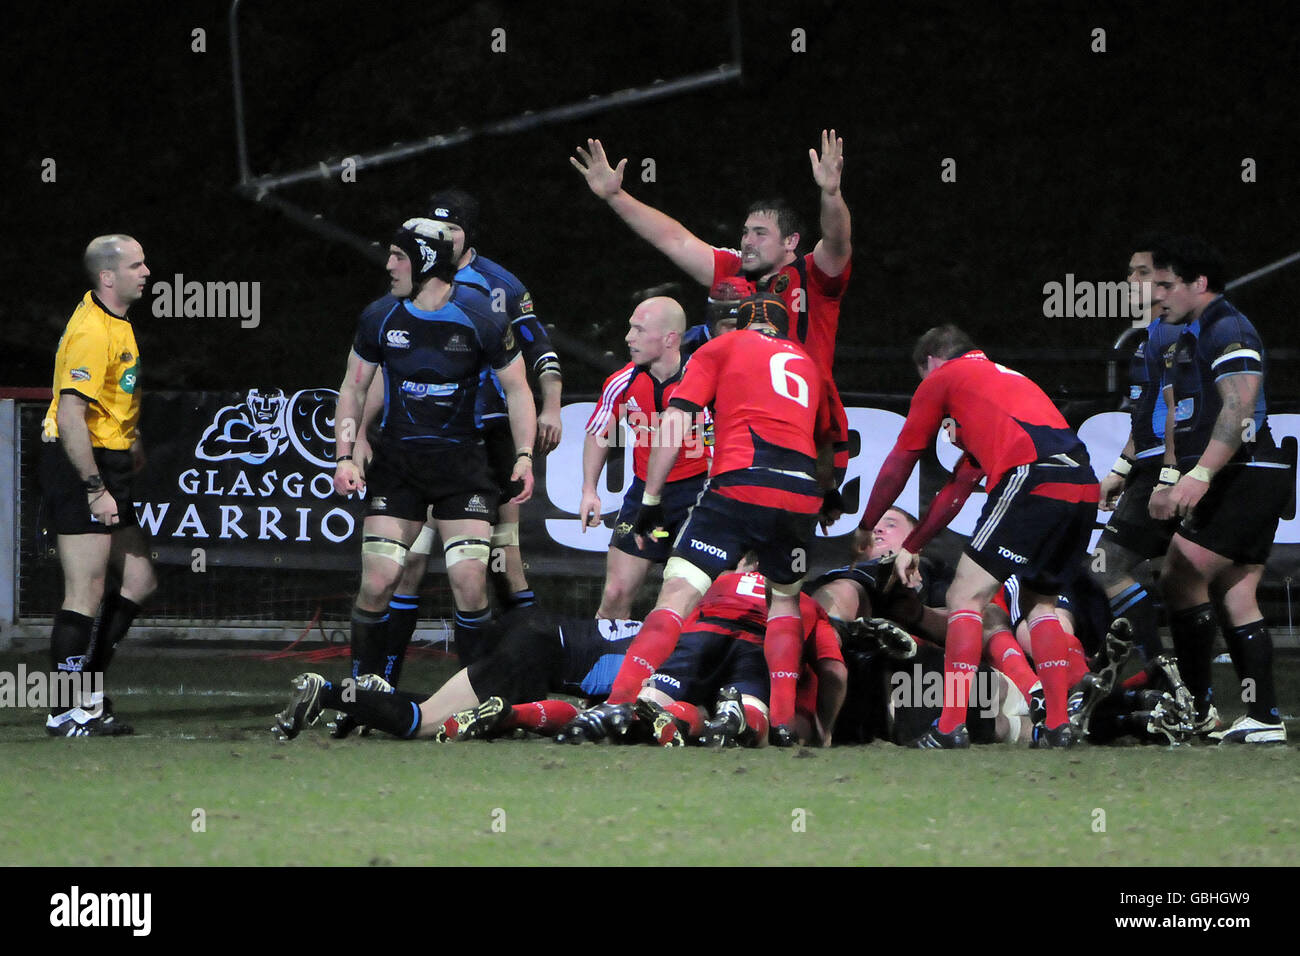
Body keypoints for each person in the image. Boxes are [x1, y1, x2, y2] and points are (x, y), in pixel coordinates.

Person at [558, 294, 837, 745]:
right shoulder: (809, 362)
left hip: (729, 485)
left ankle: (622, 700)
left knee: (681, 592)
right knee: (783, 600)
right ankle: (781, 721)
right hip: (798, 492)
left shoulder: (718, 352)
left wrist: (651, 496)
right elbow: (831, 444)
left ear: (739, 327)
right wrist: (826, 493)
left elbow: (675, 421)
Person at [349, 191, 563, 698]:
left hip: (479, 442)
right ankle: (377, 688)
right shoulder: (392, 306)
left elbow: (536, 351)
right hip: (409, 450)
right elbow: (376, 376)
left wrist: (548, 407)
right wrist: (357, 433)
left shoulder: (497, 289)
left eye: (454, 226)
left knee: (495, 567)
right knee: (403, 569)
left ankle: (503, 687)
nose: (446, 233)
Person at [853, 325, 1100, 748]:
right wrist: (912, 546)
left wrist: (866, 521)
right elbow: (958, 487)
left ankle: (949, 727)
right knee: (1041, 602)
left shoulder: (943, 378)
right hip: (1083, 483)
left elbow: (902, 457)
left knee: (964, 597)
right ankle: (1058, 726)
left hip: (1031, 476)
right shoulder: (1006, 381)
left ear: (931, 362)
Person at [571, 131, 853, 477]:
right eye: (745, 232)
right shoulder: (733, 270)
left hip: (809, 427)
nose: (747, 241)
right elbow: (674, 239)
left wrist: (831, 193)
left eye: (760, 233)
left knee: (789, 521)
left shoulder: (813, 275)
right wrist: (616, 196)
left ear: (791, 241)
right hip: (742, 427)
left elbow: (838, 241)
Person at [1146, 236, 1292, 743]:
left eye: (1167, 284)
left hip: (1248, 472)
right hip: (1244, 475)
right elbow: (1183, 417)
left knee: (1179, 574)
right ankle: (1263, 717)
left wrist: (1201, 474)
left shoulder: (1229, 326)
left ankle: (1196, 706)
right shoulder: (1187, 336)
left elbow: (1239, 408)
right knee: (1236, 592)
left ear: (1198, 284)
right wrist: (1171, 474)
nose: (1157, 293)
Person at [38, 235, 156, 736]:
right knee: (84, 590)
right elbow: (69, 415)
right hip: (78, 465)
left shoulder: (117, 322)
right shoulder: (91, 330)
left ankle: (86, 693)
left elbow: (112, 400)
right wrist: (94, 487)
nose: (147, 271)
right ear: (108, 277)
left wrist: (130, 444)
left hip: (106, 461)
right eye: (136, 265)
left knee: (138, 581)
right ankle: (65, 709)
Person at [580, 296, 710, 619]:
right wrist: (588, 490)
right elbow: (599, 432)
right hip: (645, 495)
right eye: (629, 329)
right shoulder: (622, 381)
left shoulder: (706, 379)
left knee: (687, 601)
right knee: (614, 594)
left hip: (700, 495)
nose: (628, 337)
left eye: (639, 330)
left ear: (670, 339)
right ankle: (607, 668)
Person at [1090, 235, 1181, 672]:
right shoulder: (1147, 340)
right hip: (1151, 470)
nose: (1131, 280)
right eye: (1130, 271)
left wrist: (1167, 475)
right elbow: (1144, 416)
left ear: (1167, 279)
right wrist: (1121, 468)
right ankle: (1171, 679)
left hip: (1173, 471)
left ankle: (1160, 671)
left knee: (1110, 565)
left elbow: (1180, 412)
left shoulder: (1175, 335)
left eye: (1142, 272)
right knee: (1178, 578)